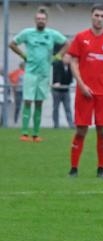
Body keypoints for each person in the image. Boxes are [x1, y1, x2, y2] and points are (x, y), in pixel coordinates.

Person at [67, 4, 103, 178]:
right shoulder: (80, 37)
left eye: (102, 16)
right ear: (91, 17)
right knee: (81, 130)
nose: (99, 19)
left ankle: (101, 169)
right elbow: (73, 62)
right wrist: (81, 84)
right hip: (84, 92)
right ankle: (74, 168)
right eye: (96, 15)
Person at [9, 7, 69, 142]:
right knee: (28, 101)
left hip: (44, 74)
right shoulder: (28, 33)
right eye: (38, 19)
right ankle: (24, 133)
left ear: (46, 20)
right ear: (35, 20)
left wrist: (58, 56)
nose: (40, 21)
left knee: (39, 102)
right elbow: (12, 44)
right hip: (30, 72)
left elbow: (67, 43)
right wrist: (23, 55)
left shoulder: (52, 34)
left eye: (43, 19)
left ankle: (35, 134)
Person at [52, 53, 74, 128]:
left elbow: (71, 76)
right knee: (56, 108)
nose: (68, 60)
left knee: (68, 108)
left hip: (65, 89)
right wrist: (57, 82)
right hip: (57, 90)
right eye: (66, 58)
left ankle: (71, 124)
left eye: (69, 58)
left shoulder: (70, 66)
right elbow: (57, 74)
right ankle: (56, 124)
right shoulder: (57, 64)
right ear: (63, 58)